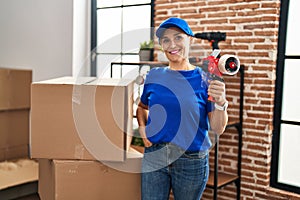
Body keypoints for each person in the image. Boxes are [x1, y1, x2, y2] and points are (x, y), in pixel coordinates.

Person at [136, 17, 228, 200]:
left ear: (190, 40)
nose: (172, 44)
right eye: (166, 40)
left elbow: (218, 128)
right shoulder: (154, 76)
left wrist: (221, 102)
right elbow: (141, 107)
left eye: (178, 37)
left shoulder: (205, 79)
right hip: (155, 156)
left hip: (191, 161)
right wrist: (143, 130)